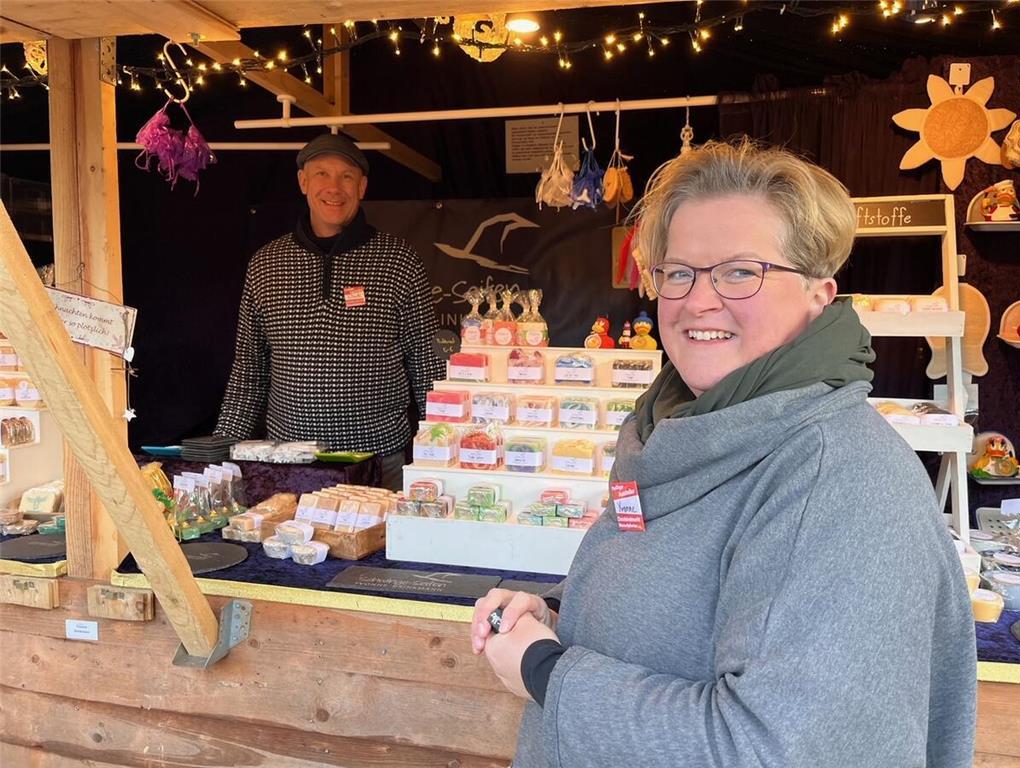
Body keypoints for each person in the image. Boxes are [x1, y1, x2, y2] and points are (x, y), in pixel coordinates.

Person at [470, 138, 977, 767]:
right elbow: (686, 608)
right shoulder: (678, 428)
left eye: (741, 271)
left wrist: (545, 670)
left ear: (820, 295)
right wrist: (556, 615)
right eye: (678, 271)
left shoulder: (838, 483)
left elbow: (772, 751)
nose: (698, 299)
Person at [215, 133, 445, 490]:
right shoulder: (266, 265)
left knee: (380, 548)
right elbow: (249, 371)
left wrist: (444, 448)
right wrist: (220, 452)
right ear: (303, 182)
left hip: (378, 461)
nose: (334, 188)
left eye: (346, 176)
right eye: (321, 174)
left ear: (362, 186)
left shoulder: (398, 261)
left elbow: (426, 364)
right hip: (291, 463)